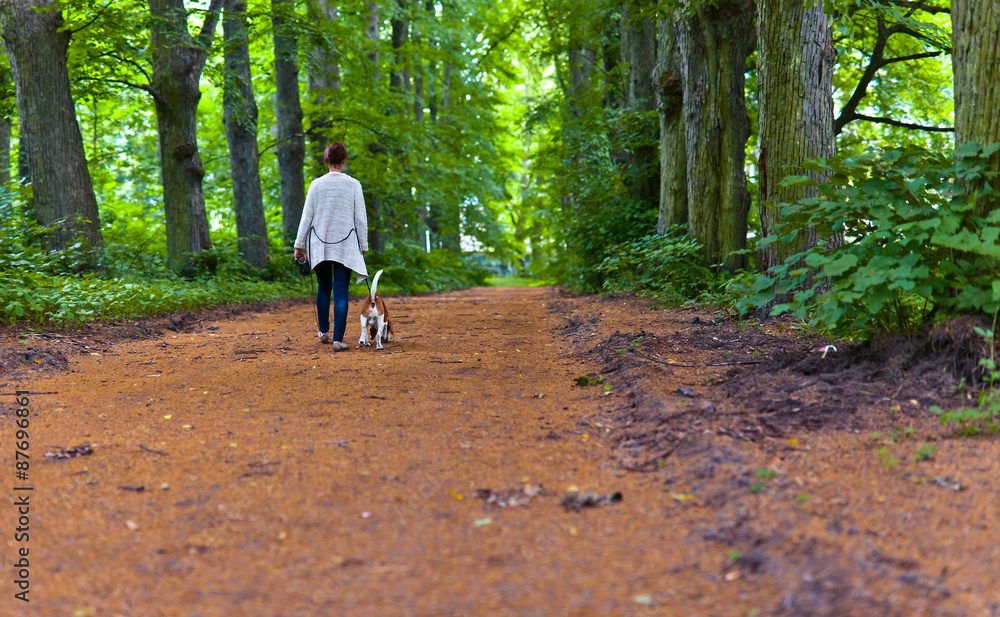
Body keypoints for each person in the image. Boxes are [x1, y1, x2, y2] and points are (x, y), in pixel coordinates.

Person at [293, 142, 369, 351]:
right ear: (344, 160)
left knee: (324, 287)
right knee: (341, 290)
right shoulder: (354, 184)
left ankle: (323, 332)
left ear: (326, 160)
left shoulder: (316, 185)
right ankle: (338, 340)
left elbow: (306, 217)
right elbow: (360, 219)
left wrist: (299, 245)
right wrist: (363, 246)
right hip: (346, 244)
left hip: (320, 244)